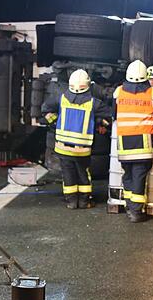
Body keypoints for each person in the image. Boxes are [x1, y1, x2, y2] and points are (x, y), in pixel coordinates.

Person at [41, 69, 112, 209]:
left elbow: (45, 110)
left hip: (62, 147)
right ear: (88, 86)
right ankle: (85, 201)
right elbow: (111, 115)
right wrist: (101, 124)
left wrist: (55, 123)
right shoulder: (94, 103)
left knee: (68, 175)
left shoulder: (61, 98)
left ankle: (71, 202)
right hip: (82, 149)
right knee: (83, 175)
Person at [113, 60, 153, 223]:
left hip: (124, 144)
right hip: (143, 145)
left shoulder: (118, 92)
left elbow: (114, 115)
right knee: (139, 177)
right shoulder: (152, 93)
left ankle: (130, 205)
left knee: (128, 174)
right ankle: (136, 211)